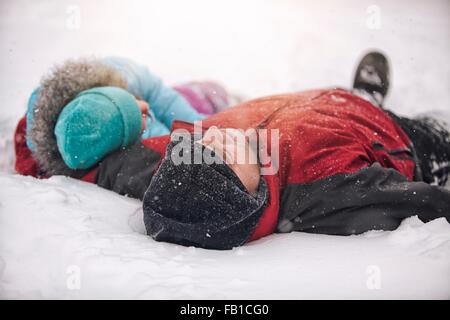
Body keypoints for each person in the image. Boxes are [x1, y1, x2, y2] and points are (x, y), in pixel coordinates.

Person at [14, 51, 450, 250]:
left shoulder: (176, 169)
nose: (213, 139)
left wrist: (53, 129)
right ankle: (372, 98)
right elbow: (420, 201)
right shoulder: (321, 190)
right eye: (221, 156)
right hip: (387, 130)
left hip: (309, 97)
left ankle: (359, 89)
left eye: (199, 146)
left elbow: (93, 161)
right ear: (247, 195)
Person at [15, 56, 230, 178]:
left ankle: (219, 95)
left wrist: (200, 125)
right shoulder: (93, 144)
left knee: (206, 94)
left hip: (165, 94)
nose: (144, 108)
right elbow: (157, 142)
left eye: (133, 103)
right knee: (206, 99)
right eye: (142, 118)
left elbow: (159, 95)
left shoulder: (121, 73)